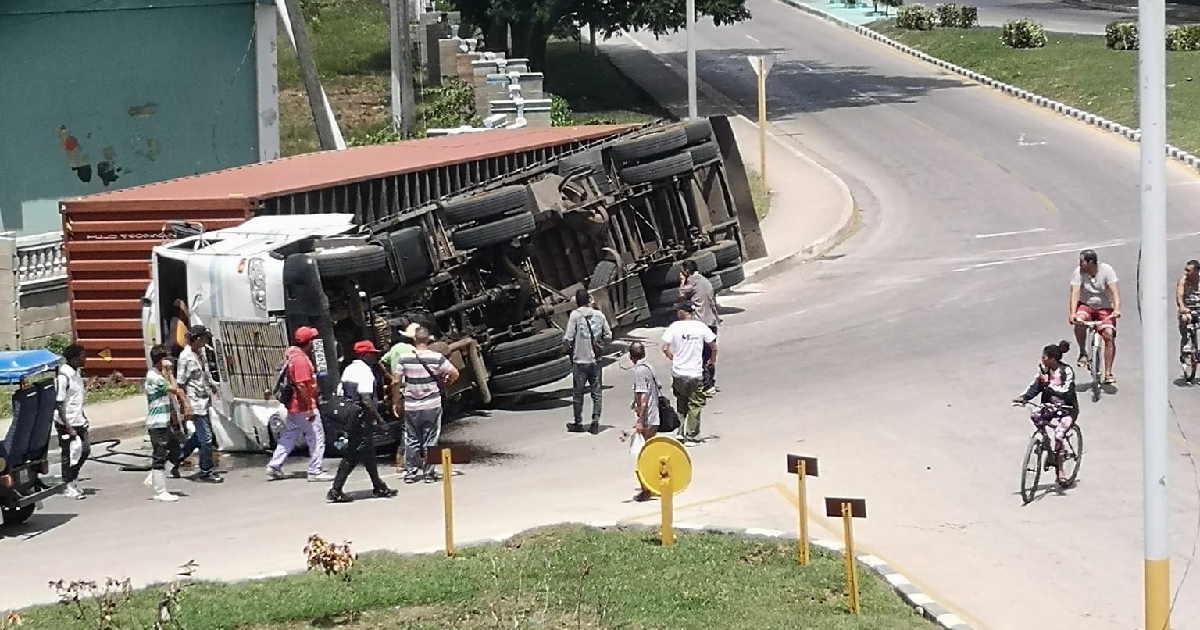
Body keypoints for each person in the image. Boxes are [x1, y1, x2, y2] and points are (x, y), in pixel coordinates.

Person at [328, 340, 398, 503]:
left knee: (368, 454)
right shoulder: (365, 372)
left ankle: (379, 486)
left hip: (352, 418)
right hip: (361, 419)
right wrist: (380, 421)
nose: (375, 357)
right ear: (365, 355)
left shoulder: (348, 369)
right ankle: (335, 490)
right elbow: (366, 400)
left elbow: (343, 393)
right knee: (352, 455)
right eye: (373, 354)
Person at [266, 326, 334, 482]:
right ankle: (315, 470)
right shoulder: (301, 360)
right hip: (303, 406)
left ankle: (274, 466)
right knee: (316, 437)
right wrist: (309, 408)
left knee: (289, 435)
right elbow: (301, 385)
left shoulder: (290, 354)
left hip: (293, 407)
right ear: (308, 342)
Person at [392, 326, 459, 484]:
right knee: (431, 439)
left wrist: (396, 402)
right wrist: (446, 382)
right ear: (429, 340)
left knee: (411, 439)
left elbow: (396, 381)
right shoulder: (437, 358)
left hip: (411, 405)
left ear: (414, 340)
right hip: (432, 405)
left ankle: (410, 474)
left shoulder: (404, 358)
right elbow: (455, 372)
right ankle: (429, 474)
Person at [1012, 340, 1079, 486]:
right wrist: (1023, 397)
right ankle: (1047, 447)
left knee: (1059, 434)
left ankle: (1060, 470)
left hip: (1067, 409)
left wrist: (1048, 385)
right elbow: (1035, 386)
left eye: (1044, 357)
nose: (1042, 359)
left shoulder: (1066, 371)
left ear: (1053, 358)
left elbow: (1067, 391)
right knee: (1035, 415)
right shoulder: (1044, 370)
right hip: (1049, 406)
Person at [661, 303, 717, 445]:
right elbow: (713, 346)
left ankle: (680, 432)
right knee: (696, 404)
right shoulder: (700, 327)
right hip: (694, 373)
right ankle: (692, 436)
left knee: (681, 402)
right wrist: (711, 360)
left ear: (681, 313)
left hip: (678, 373)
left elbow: (665, 347)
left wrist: (673, 358)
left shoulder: (674, 327)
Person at [176, 325, 223, 483]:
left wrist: (212, 387)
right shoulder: (185, 357)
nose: (205, 341)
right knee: (207, 438)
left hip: (204, 400)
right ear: (196, 339)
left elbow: (205, 373)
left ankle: (178, 458)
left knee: (200, 435)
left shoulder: (200, 353)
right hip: (195, 402)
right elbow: (180, 384)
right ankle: (205, 470)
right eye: (203, 338)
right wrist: (185, 405)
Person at [563, 288, 612, 434]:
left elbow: (568, 338)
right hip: (596, 360)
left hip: (580, 360)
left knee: (578, 393)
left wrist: (564, 349)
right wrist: (600, 343)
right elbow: (609, 335)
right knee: (596, 392)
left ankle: (578, 423)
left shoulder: (575, 316)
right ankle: (595, 422)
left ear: (577, 302)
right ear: (589, 300)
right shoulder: (599, 315)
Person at [1068, 249, 1120, 384]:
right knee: (1079, 321)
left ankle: (1108, 373)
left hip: (1105, 308)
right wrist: (1072, 313)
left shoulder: (1107, 271)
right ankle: (1083, 352)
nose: (1079, 264)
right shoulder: (1078, 272)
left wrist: (1117, 309)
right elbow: (1075, 292)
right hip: (1086, 306)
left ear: (1091, 262)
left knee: (1108, 335)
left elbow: (1114, 292)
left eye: (1082, 261)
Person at [143, 345, 183, 502]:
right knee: (159, 456)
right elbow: (174, 389)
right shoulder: (155, 377)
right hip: (156, 423)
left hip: (164, 421)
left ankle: (154, 477)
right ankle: (160, 491)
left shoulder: (157, 375)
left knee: (175, 450)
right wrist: (170, 372)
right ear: (160, 360)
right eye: (166, 359)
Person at [678, 259, 721, 395]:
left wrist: (682, 281)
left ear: (687, 271)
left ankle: (707, 386)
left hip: (701, 324)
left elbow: (680, 295)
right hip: (712, 322)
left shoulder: (692, 280)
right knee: (710, 353)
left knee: (700, 355)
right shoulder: (705, 280)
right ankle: (711, 382)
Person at [54, 344, 90, 500]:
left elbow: (76, 399)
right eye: (83, 356)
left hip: (78, 419)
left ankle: (73, 478)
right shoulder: (63, 376)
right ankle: (67, 485)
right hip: (66, 422)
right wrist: (68, 427)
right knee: (68, 454)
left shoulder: (77, 372)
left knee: (85, 450)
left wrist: (83, 416)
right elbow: (60, 403)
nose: (85, 359)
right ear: (75, 359)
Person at [626, 341, 660, 502]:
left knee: (643, 455)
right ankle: (654, 483)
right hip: (654, 415)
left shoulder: (639, 371)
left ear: (631, 356)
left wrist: (639, 420)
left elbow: (643, 397)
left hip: (647, 418)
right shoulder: (649, 367)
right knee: (650, 452)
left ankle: (648, 488)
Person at [1177, 259, 1200, 363]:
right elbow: (1179, 296)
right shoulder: (1183, 281)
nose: (1185, 272)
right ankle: (1187, 343)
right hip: (1188, 309)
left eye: (1188, 270)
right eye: (1185, 270)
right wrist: (1182, 307)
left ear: (1196, 271)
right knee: (1185, 319)